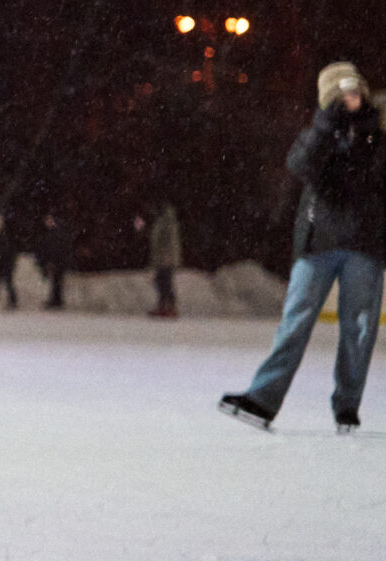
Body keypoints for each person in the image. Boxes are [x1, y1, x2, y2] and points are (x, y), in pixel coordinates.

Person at [221, 62, 385, 433]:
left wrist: (366, 131)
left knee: (359, 331)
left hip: (364, 244)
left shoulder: (377, 137)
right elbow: (299, 164)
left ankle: (347, 406)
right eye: (341, 93)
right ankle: (263, 400)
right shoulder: (319, 135)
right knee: (294, 323)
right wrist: (326, 126)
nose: (349, 99)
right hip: (317, 245)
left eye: (354, 92)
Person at [143, 200, 182, 318]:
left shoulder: (168, 222)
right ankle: (163, 305)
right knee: (161, 281)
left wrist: (166, 255)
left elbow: (169, 240)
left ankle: (169, 306)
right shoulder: (161, 221)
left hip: (166, 257)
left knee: (165, 281)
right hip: (161, 257)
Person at [33, 210, 73, 310]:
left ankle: (56, 301)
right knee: (55, 282)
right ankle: (56, 300)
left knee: (57, 282)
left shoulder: (57, 233)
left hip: (59, 261)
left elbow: (57, 248)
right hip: (57, 261)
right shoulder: (52, 233)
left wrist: (52, 260)